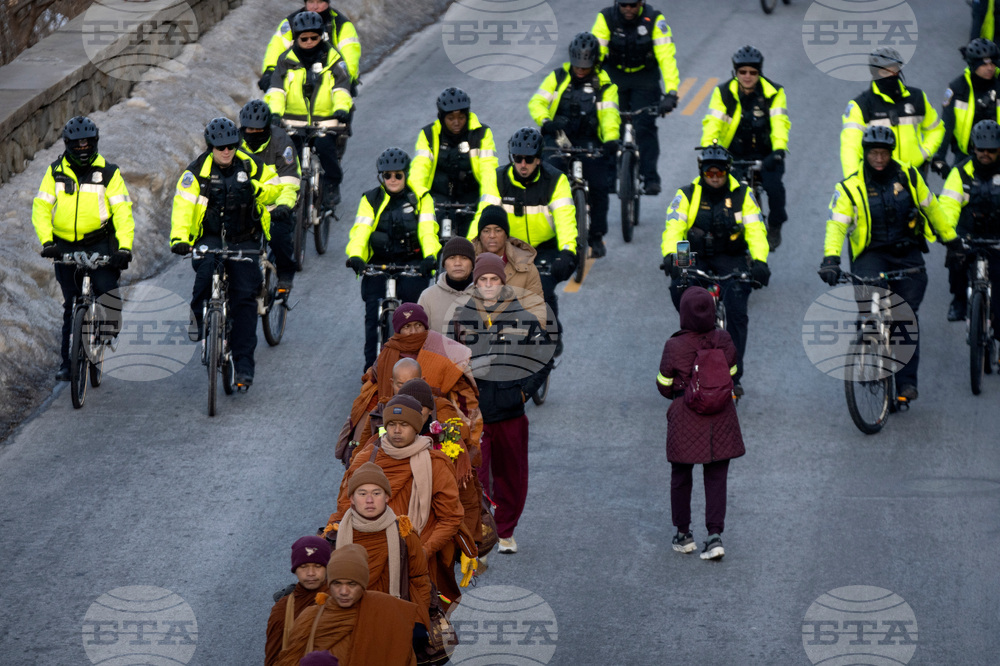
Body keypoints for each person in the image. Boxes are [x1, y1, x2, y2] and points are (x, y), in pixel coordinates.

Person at [819, 126, 959, 402]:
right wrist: (831, 259)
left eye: (884, 153)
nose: (879, 159)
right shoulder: (849, 187)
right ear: (866, 153)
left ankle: (907, 384)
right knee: (872, 307)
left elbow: (932, 209)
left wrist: (951, 239)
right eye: (874, 153)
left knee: (905, 318)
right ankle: (870, 345)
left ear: (891, 153)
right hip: (871, 255)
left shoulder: (908, 175)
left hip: (907, 253)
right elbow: (836, 225)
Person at [450, 253, 553, 554]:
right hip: (475, 413)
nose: (489, 285)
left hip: (510, 411)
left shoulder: (523, 317)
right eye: (483, 280)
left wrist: (523, 392)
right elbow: (450, 360)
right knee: (474, 475)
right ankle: (480, 528)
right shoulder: (461, 317)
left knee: (512, 475)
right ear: (476, 283)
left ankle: (506, 530)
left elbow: (544, 359)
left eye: (494, 279)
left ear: (503, 282)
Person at [169, 117, 280, 389]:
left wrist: (257, 189)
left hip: (245, 240)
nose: (226, 151)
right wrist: (180, 238)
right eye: (220, 147)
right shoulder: (195, 172)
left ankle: (243, 365)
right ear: (211, 147)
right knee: (206, 272)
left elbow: (275, 185)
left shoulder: (249, 164)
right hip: (209, 237)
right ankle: (198, 315)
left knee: (245, 300)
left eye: (231, 146)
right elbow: (183, 207)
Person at [660, 142, 770, 396]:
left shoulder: (743, 194)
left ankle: (734, 376)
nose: (715, 177)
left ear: (728, 171)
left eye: (720, 172)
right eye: (710, 172)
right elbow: (675, 228)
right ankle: (687, 362)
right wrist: (672, 257)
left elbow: (755, 231)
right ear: (702, 171)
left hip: (731, 257)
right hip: (694, 255)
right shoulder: (687, 193)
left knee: (737, 310)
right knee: (682, 293)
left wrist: (761, 261)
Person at [328, 395, 464, 598]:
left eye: (404, 424)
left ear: (417, 427)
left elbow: (450, 517)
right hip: (364, 556)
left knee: (410, 622)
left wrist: (422, 551)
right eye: (391, 424)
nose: (397, 430)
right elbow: (345, 506)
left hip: (414, 562)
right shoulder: (367, 458)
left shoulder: (435, 464)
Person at [32, 116, 135, 381]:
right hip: (63, 244)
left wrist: (123, 248)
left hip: (100, 241)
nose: (82, 148)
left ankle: (105, 333)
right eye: (76, 144)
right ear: (68, 145)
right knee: (71, 305)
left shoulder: (109, 173)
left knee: (107, 291)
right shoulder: (55, 172)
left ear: (95, 142)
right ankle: (68, 364)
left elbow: (123, 212)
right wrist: (47, 242)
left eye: (86, 143)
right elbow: (41, 208)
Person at [656, 287, 745, 561]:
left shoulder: (674, 346)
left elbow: (663, 385)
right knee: (716, 478)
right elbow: (733, 372)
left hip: (686, 416)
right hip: (722, 416)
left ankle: (684, 535)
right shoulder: (724, 339)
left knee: (681, 477)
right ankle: (715, 536)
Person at [469, 127, 578, 329]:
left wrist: (567, 251)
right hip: (509, 248)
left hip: (545, 247)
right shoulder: (497, 178)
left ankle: (550, 340)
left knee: (541, 290)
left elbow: (565, 220)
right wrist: (470, 249)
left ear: (538, 159)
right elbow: (483, 217)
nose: (523, 164)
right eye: (518, 159)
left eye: (528, 159)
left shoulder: (556, 180)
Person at [345, 149, 440, 369]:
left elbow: (428, 231)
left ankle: (416, 364)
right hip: (378, 263)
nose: (393, 180)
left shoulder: (421, 198)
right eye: (387, 176)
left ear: (406, 174)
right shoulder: (370, 199)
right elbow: (360, 231)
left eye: (398, 175)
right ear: (381, 177)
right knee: (371, 317)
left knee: (413, 317)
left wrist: (430, 257)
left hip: (412, 263)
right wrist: (356, 256)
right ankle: (370, 370)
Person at [528, 31, 620, 258]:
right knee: (547, 180)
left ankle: (596, 236)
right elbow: (537, 102)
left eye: (585, 65)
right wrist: (546, 122)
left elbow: (610, 116)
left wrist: (610, 139)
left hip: (590, 141)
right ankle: (548, 233)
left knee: (599, 185)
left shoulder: (605, 85)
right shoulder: (557, 77)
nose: (580, 69)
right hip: (558, 137)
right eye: (577, 64)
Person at [701, 46, 790, 250]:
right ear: (736, 72)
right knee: (717, 187)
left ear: (760, 73)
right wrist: (710, 149)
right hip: (733, 154)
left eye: (753, 72)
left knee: (775, 188)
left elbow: (780, 123)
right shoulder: (723, 92)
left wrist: (778, 150)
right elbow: (712, 123)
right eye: (743, 72)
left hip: (766, 154)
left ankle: (775, 226)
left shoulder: (774, 92)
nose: (747, 76)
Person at [275, 544, 421, 666]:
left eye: (352, 584)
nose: (343, 592)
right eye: (337, 583)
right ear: (329, 584)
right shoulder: (310, 618)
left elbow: (403, 657)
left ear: (363, 585)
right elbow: (289, 661)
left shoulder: (385, 612)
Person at [264, 10, 352, 211]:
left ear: (322, 36)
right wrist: (275, 113)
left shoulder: (333, 58)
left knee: (325, 148)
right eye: (304, 38)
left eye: (315, 37)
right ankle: (289, 196)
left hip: (326, 121)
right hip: (293, 121)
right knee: (287, 158)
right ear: (296, 38)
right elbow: (277, 90)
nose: (310, 41)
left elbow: (341, 89)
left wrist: (341, 109)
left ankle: (331, 186)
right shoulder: (285, 60)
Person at [591, 0, 680, 195]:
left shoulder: (655, 20)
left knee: (645, 126)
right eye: (624, 5)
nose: (628, 9)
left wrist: (671, 91)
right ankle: (610, 175)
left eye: (633, 5)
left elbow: (666, 57)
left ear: (641, 3)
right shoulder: (606, 18)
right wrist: (593, 83)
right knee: (610, 126)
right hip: (615, 75)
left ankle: (650, 178)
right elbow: (596, 54)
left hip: (644, 77)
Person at [328, 462, 432, 628]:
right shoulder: (335, 536)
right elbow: (326, 585)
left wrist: (418, 621)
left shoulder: (404, 534)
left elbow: (420, 580)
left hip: (394, 621)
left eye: (376, 493)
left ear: (387, 497)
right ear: (352, 499)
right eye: (362, 494)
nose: (369, 500)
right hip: (349, 623)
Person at [840, 47, 944, 179]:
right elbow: (850, 149)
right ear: (875, 73)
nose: (891, 75)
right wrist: (853, 181)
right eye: (884, 71)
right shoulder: (860, 106)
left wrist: (923, 153)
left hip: (914, 175)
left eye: (894, 70)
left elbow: (936, 129)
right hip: (878, 179)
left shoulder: (917, 98)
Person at [410, 87, 499, 240]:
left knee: (477, 235)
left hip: (471, 195)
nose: (457, 122)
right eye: (451, 118)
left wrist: (487, 200)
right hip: (440, 195)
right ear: (441, 117)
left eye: (461, 117)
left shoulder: (482, 134)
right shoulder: (428, 135)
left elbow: (488, 170)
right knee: (425, 232)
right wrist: (418, 197)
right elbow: (419, 169)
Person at [939, 119, 1000, 333]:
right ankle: (958, 301)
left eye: (991, 150)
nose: (985, 154)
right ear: (973, 147)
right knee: (955, 259)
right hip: (969, 235)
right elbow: (948, 206)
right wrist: (948, 234)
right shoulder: (960, 173)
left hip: (997, 239)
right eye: (981, 149)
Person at [239, 99, 301, 293]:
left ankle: (285, 272)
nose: (254, 134)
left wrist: (284, 206)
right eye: (250, 130)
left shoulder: (282, 142)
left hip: (275, 205)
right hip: (245, 207)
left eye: (259, 130)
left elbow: (289, 181)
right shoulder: (234, 144)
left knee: (279, 236)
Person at [931, 39, 1000, 180]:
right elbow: (947, 124)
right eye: (984, 64)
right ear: (973, 65)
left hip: (996, 154)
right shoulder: (957, 88)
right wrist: (940, 156)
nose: (990, 68)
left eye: (992, 63)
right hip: (965, 155)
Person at [259, 0, 361, 92]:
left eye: (320, 2)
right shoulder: (290, 23)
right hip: (295, 83)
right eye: (311, 2)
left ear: (328, 2)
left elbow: (350, 54)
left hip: (331, 84)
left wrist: (348, 78)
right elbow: (277, 48)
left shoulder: (341, 25)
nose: (315, 6)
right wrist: (270, 71)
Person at [471, 205, 547, 326]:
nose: (492, 235)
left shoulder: (526, 267)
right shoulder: (466, 264)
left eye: (498, 230)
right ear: (479, 236)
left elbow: (537, 309)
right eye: (486, 230)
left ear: (506, 235)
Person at [266, 536, 332, 666]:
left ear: (327, 568)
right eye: (303, 567)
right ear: (295, 570)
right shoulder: (283, 610)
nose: (311, 573)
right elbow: (272, 659)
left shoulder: (341, 599)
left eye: (318, 566)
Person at [418, 237, 476, 334]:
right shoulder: (428, 297)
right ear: (444, 264)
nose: (457, 263)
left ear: (473, 264)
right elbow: (417, 337)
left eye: (464, 258)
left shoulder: (485, 294)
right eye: (452, 258)